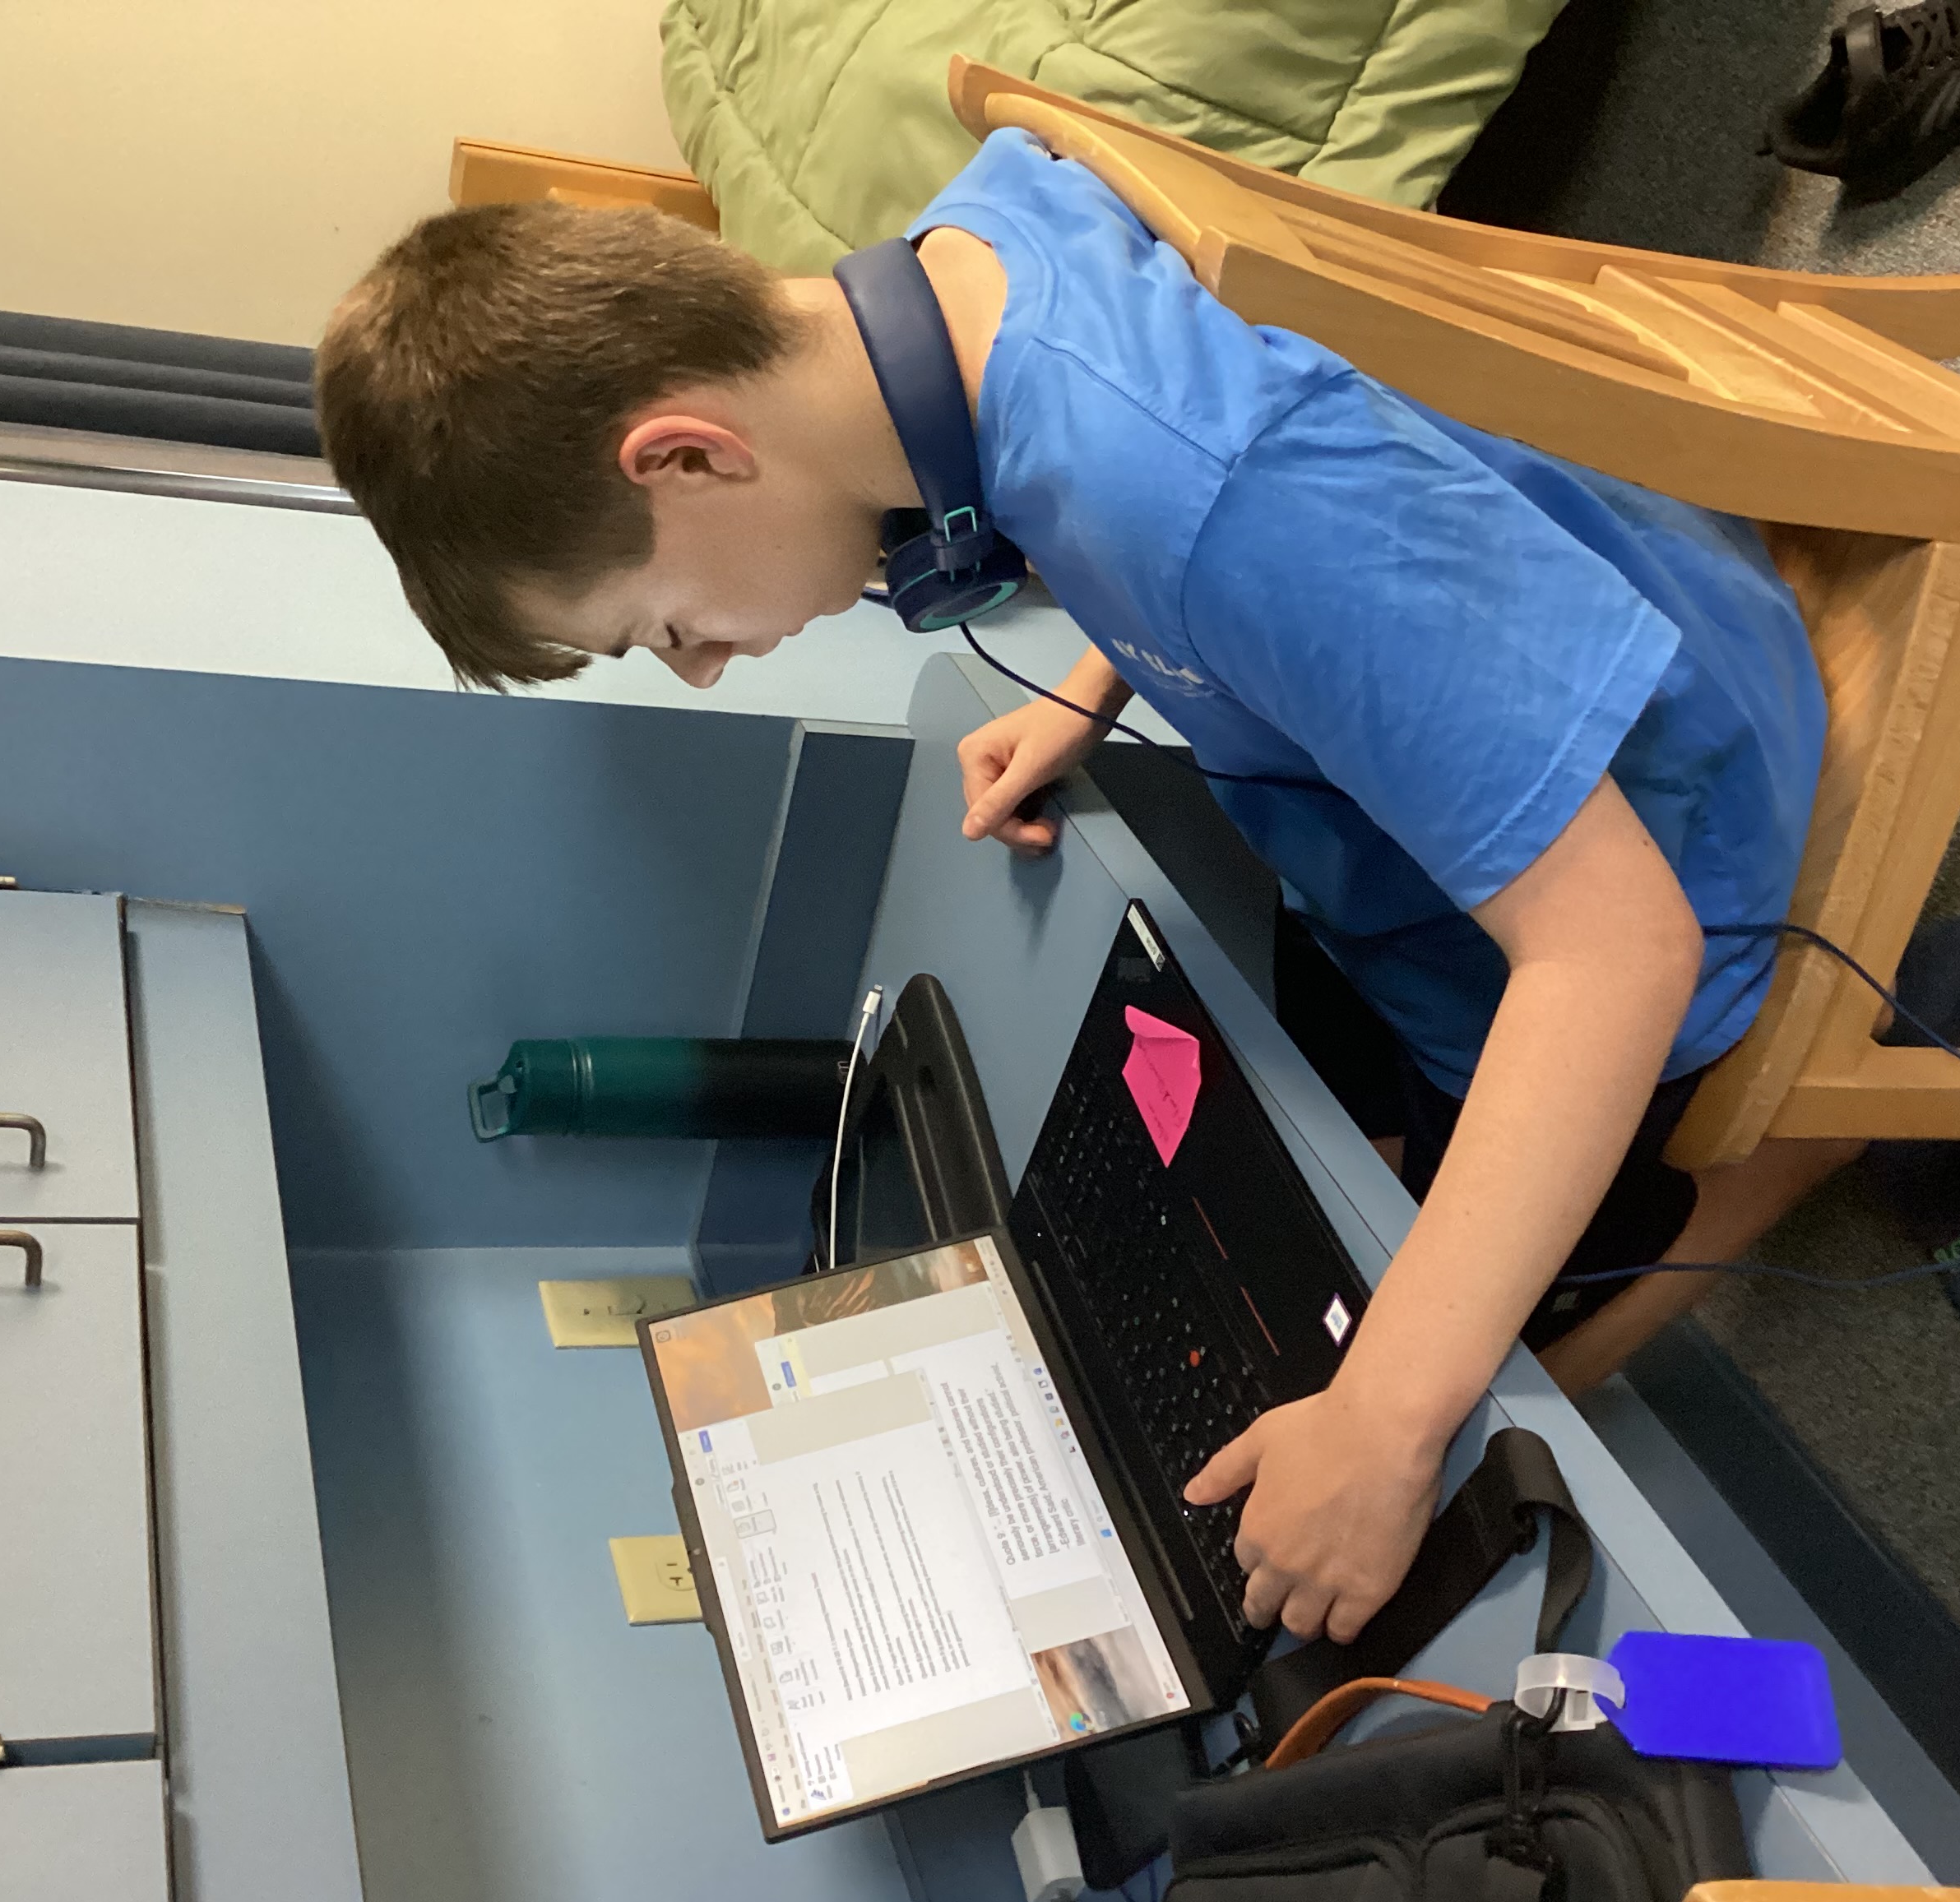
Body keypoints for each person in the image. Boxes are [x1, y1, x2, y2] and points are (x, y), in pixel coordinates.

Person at [312, 127, 1860, 1649]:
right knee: (1238, 1163)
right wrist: (1098, 674)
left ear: (692, 454)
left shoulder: (1195, 502)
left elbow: (1614, 951)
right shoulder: (980, 242)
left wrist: (1385, 1426)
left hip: (1681, 835)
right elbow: (1230, 472)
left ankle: (1817, 1128)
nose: (707, 662)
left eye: (662, 624)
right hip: (1580, 606)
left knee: (1413, 1429)